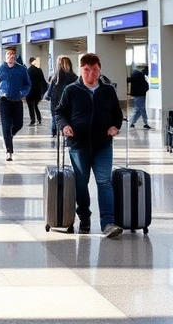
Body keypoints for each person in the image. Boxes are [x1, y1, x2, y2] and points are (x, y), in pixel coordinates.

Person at [53, 53, 124, 238]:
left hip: (103, 145)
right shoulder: (71, 90)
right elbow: (59, 112)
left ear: (99, 70)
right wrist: (65, 125)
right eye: (86, 70)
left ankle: (108, 222)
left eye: (94, 70)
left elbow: (117, 114)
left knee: (104, 182)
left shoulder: (108, 90)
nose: (90, 74)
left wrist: (115, 126)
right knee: (81, 184)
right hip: (78, 145)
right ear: (81, 70)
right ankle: (84, 217)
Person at [0, 47, 32, 161]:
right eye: (9, 55)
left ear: (15, 57)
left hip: (17, 100)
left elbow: (28, 84)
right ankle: (9, 151)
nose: (11, 57)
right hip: (4, 101)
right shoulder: (0, 69)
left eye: (13, 56)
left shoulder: (22, 70)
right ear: (6, 57)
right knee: (6, 125)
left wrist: (22, 93)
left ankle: (8, 136)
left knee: (19, 124)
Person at [46, 56, 77, 138]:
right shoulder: (74, 77)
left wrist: (48, 96)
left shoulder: (56, 77)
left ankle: (54, 132)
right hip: (69, 102)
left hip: (56, 101)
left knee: (55, 116)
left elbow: (50, 90)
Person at [127, 64, 151, 129]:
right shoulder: (140, 76)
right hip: (140, 94)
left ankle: (132, 122)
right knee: (142, 109)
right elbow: (145, 85)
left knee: (138, 109)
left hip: (138, 94)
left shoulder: (136, 75)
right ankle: (146, 123)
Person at [26, 57, 47, 126]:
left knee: (30, 107)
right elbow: (43, 81)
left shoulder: (28, 71)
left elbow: (26, 82)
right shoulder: (39, 70)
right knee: (35, 106)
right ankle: (39, 119)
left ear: (30, 62)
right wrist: (43, 91)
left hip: (29, 92)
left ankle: (32, 120)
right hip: (37, 91)